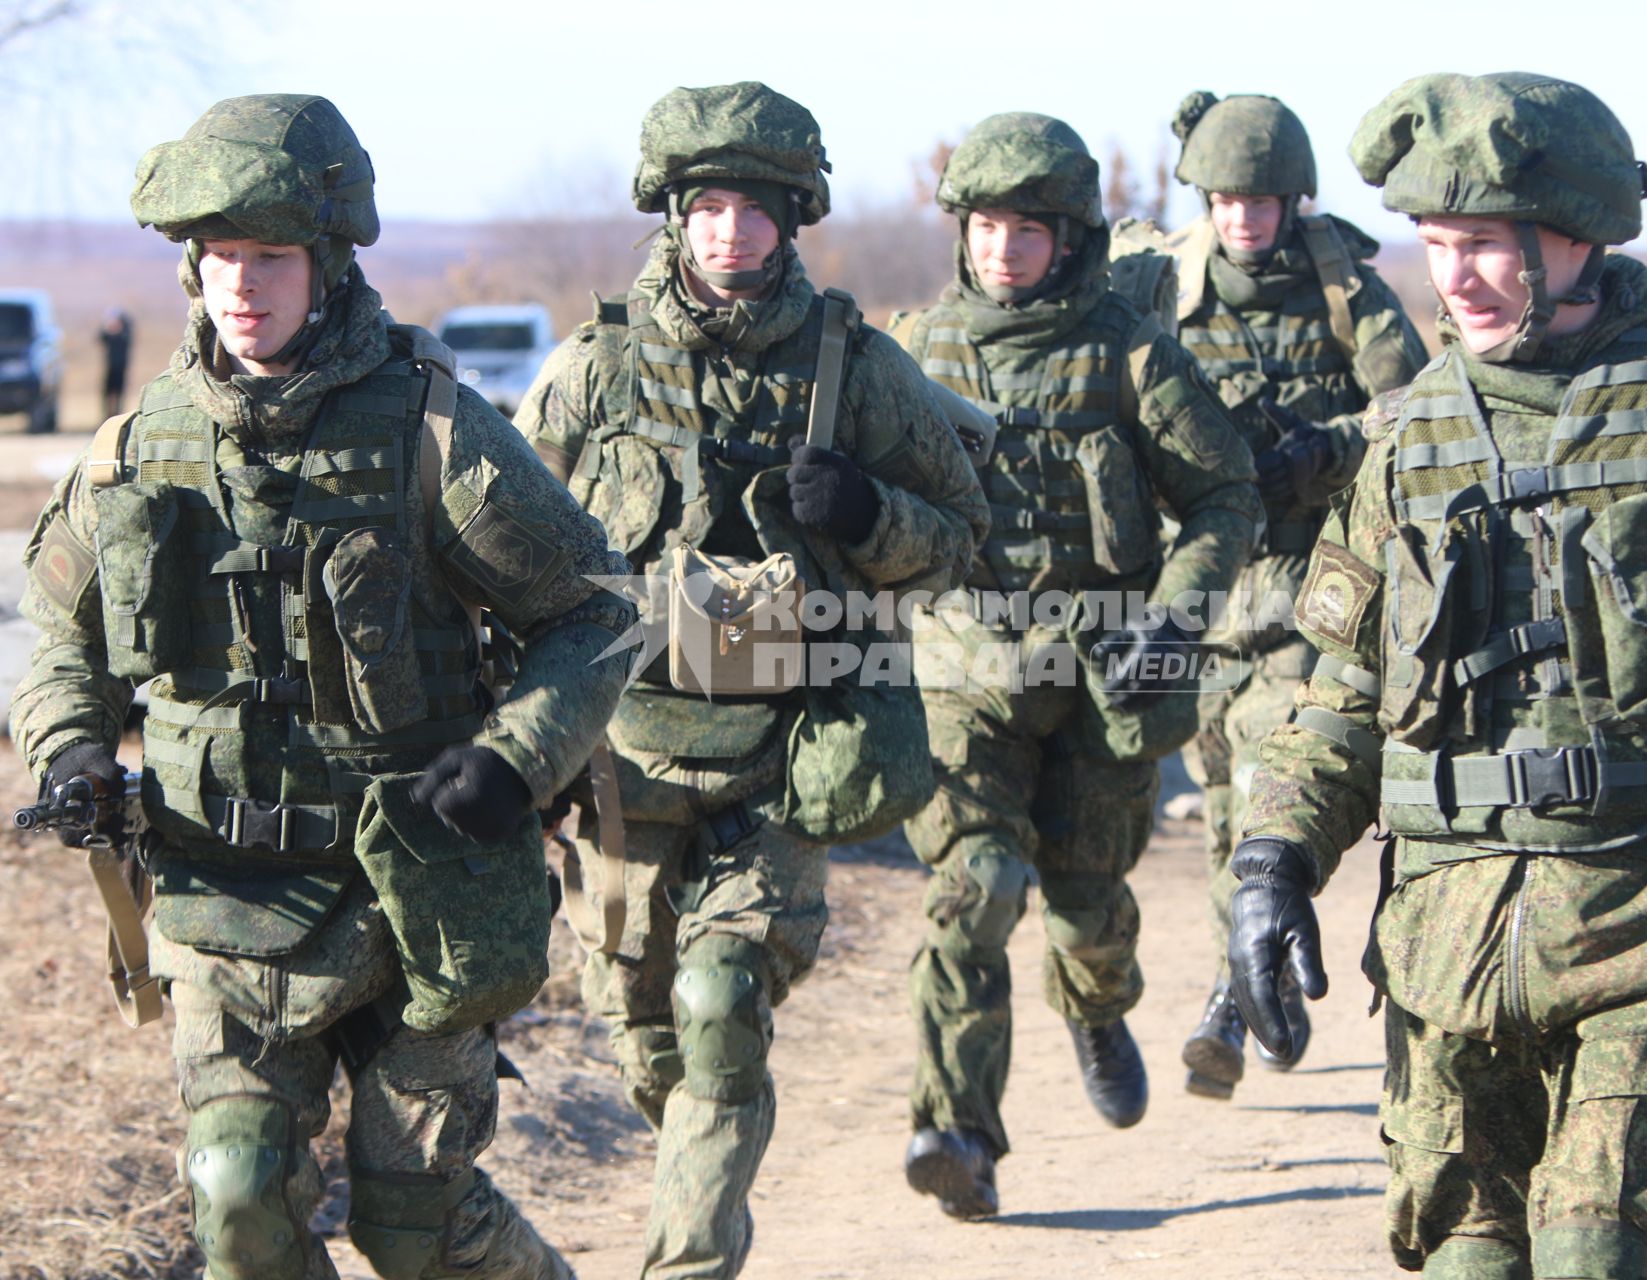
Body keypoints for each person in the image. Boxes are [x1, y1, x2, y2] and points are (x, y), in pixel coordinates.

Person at [1228, 72, 1647, 1279]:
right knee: (1470, 1259)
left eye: (1487, 243)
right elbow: (1340, 697)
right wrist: (1272, 860)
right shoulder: (1403, 440)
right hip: (1447, 938)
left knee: (1594, 1249)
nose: (1454, 277)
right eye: (1436, 245)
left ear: (1581, 232)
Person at [11, 95, 636, 1280]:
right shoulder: (139, 443)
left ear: (329, 260)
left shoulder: (428, 427)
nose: (244, 284)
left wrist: (516, 758)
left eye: (273, 257)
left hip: (422, 894)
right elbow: (57, 633)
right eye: (223, 256)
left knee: (418, 1229)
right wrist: (71, 749)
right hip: (225, 896)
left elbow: (596, 613)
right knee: (239, 1203)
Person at [515, 81, 988, 1278]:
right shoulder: (597, 366)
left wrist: (872, 512)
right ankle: (697, 1164)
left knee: (723, 1014)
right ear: (673, 215)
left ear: (797, 217)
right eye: (708, 206)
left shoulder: (859, 367)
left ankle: (688, 1259)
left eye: (755, 209)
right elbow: (497, 548)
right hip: (622, 762)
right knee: (647, 1047)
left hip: (782, 753)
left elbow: (964, 535)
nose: (730, 232)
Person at [889, 111, 1260, 1219]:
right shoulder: (911, 353)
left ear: (1072, 238)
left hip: (1108, 683)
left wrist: (1179, 617)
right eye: (985, 225)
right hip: (964, 682)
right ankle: (957, 1128)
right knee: (975, 891)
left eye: (1029, 229)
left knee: (1089, 910)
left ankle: (1097, 1008)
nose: (1003, 249)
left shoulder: (1130, 351)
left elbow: (1224, 494)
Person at [1158, 90, 1429, 1099]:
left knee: (1275, 769)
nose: (1244, 218)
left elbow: (1416, 404)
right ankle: (1256, 964)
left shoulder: (1343, 287)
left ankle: (1232, 1003)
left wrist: (1330, 448)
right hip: (1207, 589)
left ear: (1291, 200)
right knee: (1229, 804)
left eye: (1263, 200)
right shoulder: (1164, 287)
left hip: (1316, 589)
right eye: (1228, 199)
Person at [97, 307, 133, 417]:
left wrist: (117, 331)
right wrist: (107, 328)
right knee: (106, 393)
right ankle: (105, 416)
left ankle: (117, 414)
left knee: (119, 394)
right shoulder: (110, 335)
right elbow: (100, 337)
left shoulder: (124, 335)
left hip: (121, 369)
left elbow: (127, 338)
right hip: (110, 368)